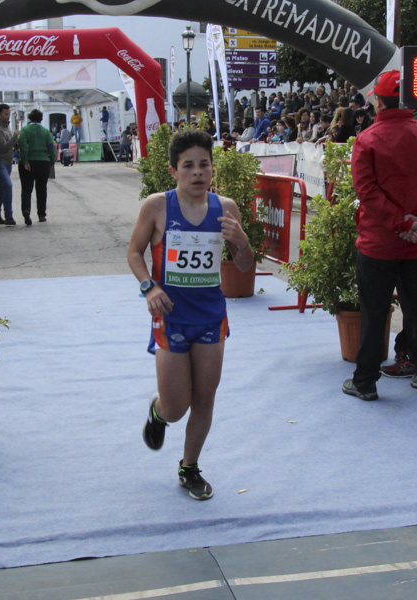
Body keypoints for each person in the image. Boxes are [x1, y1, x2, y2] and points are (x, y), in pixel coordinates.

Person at [128, 129, 254, 501]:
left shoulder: (226, 208)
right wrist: (149, 287)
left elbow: (245, 266)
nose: (197, 173)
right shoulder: (156, 206)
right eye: (188, 166)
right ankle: (157, 410)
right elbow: (134, 252)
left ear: (212, 169)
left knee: (205, 399)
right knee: (177, 407)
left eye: (204, 165)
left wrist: (241, 241)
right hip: (171, 317)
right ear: (173, 171)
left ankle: (189, 467)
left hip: (211, 317)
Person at [343, 70, 417, 401]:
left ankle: (365, 381)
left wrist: (401, 222)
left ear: (378, 100)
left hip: (379, 242)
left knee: (374, 313)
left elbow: (367, 192)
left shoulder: (367, 139)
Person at [17, 109, 56, 226]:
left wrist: (25, 161)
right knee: (41, 189)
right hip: (43, 162)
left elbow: (23, 145)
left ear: (29, 118)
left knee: (26, 188)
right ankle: (42, 214)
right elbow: (51, 147)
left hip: (29, 162)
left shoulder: (25, 130)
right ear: (41, 119)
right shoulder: (45, 131)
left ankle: (26, 210)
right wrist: (52, 161)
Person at [0, 104, 18, 225]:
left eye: (8, 114)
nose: (8, 117)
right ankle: (9, 216)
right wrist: (15, 137)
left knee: (2, 188)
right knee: (7, 185)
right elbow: (3, 147)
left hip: (7, 162)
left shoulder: (6, 127)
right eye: (5, 114)